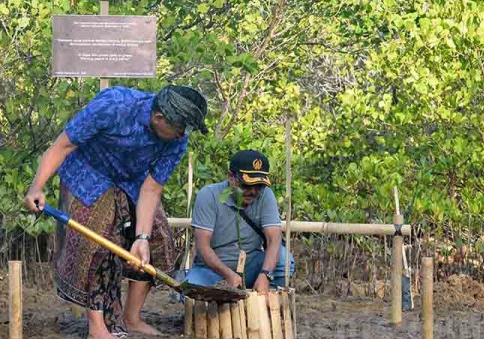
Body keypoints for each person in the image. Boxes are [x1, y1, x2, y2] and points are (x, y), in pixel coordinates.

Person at [23, 85, 208, 339]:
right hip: (89, 171)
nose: (182, 136)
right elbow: (63, 146)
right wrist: (37, 186)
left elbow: (151, 189)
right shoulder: (114, 105)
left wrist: (141, 238)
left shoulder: (177, 140)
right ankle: (97, 326)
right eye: (179, 129)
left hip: (134, 181)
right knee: (99, 240)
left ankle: (131, 318)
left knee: (159, 237)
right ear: (159, 118)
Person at [186, 149, 294, 293]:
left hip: (251, 266)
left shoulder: (266, 195)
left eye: (259, 186)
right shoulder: (208, 195)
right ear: (231, 177)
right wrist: (228, 274)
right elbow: (202, 246)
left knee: (284, 261)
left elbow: (273, 239)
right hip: (212, 271)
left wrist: (266, 274)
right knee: (192, 286)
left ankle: (264, 301)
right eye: (247, 185)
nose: (254, 191)